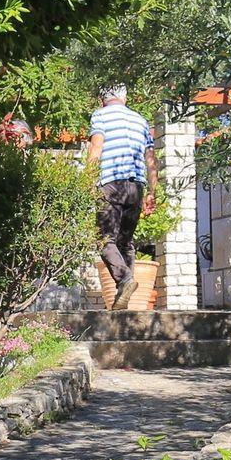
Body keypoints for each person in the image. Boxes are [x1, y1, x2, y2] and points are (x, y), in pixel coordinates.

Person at [83, 83, 156, 307]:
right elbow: (151, 159)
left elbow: (96, 147)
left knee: (104, 240)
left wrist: (87, 180)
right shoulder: (140, 120)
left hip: (111, 184)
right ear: (125, 98)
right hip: (136, 187)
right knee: (125, 243)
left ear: (101, 100)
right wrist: (152, 191)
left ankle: (125, 280)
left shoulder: (100, 115)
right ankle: (123, 299)